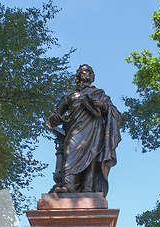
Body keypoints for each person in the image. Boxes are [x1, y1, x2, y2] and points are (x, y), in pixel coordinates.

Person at [47, 64, 121, 196]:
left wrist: (102, 105)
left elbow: (114, 112)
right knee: (70, 154)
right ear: (78, 75)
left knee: (91, 157)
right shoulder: (69, 97)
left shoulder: (100, 94)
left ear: (92, 76)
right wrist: (55, 118)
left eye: (90, 71)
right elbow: (54, 115)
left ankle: (88, 189)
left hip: (94, 129)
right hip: (74, 130)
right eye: (84, 71)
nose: (87, 73)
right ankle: (68, 186)